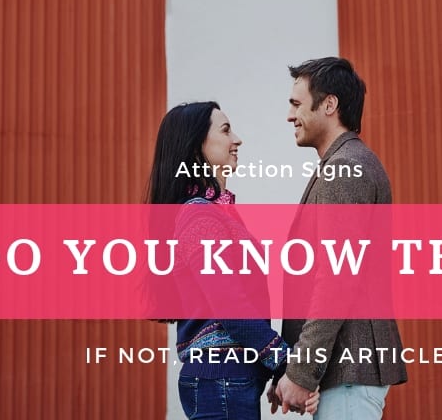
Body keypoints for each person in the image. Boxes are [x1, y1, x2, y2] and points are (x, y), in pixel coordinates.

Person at [145, 101, 320, 419]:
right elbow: (230, 303)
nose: (237, 139)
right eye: (225, 130)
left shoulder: (216, 213)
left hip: (227, 379)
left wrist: (275, 371)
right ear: (196, 147)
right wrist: (284, 361)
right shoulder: (199, 214)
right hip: (220, 380)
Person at [269, 58, 407, 418]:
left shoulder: (344, 167)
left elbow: (337, 277)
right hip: (346, 372)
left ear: (329, 105)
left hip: (350, 371)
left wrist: (300, 372)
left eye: (296, 104)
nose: (289, 115)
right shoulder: (344, 163)